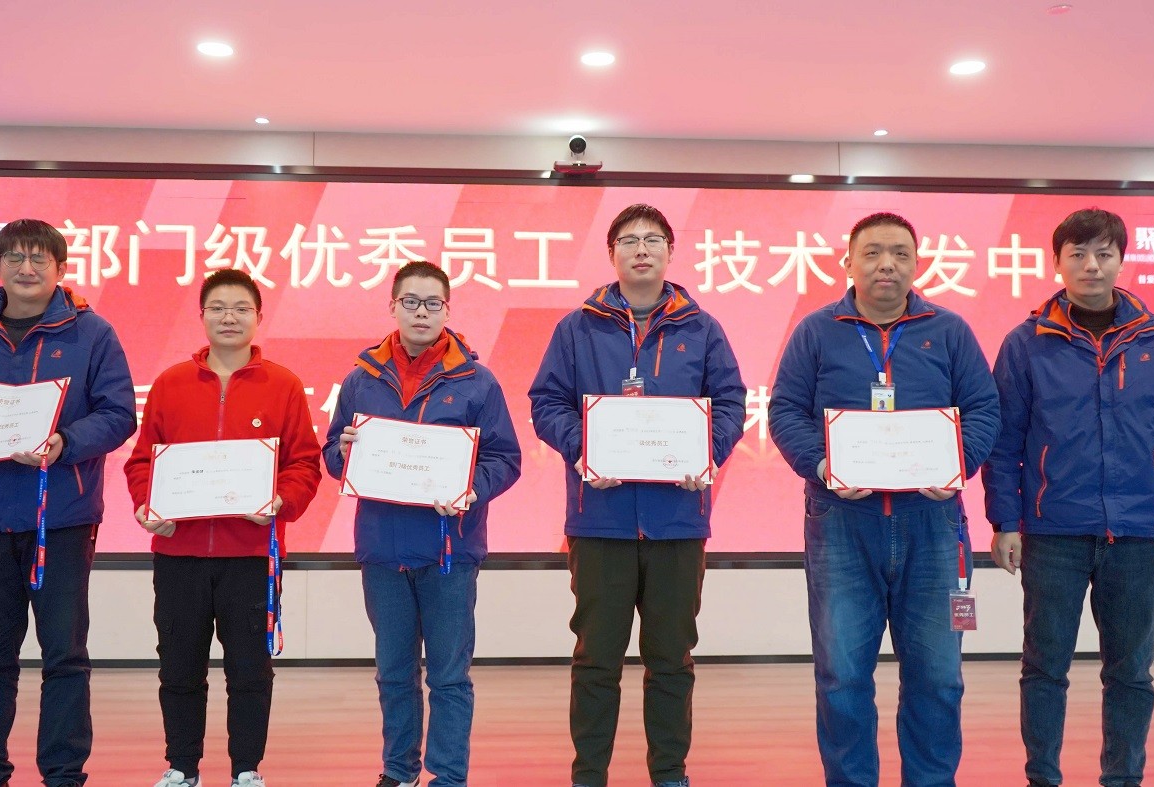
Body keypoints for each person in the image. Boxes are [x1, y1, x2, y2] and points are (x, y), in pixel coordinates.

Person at [768, 212, 1000, 787]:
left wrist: (958, 464)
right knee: (842, 678)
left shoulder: (950, 331)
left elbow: (984, 408)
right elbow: (785, 411)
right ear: (848, 263)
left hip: (934, 522)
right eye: (871, 253)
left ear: (918, 263)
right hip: (842, 522)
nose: (886, 265)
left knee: (938, 678)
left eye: (899, 253)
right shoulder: (816, 332)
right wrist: (822, 466)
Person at [982, 208, 1154, 787]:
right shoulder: (1026, 344)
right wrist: (1005, 521)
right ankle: (1042, 777)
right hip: (1052, 532)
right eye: (1077, 254)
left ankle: (1122, 778)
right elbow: (1004, 443)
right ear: (1057, 262)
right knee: (1044, 668)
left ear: (1121, 260)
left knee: (1131, 673)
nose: (1091, 266)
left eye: (1104, 254)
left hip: (1135, 533)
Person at [529, 204, 747, 787]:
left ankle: (670, 773)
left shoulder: (702, 328)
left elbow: (731, 403)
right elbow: (546, 402)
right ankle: (589, 775)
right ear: (612, 254)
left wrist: (706, 453)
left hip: (677, 521)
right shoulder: (577, 328)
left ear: (671, 252)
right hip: (599, 520)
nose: (641, 249)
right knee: (595, 660)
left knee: (671, 659)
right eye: (629, 240)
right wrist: (584, 450)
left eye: (653, 239)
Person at [0, 218, 137, 787]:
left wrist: (65, 442)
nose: (26, 268)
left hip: (62, 520)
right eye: (14, 257)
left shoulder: (93, 334)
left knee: (65, 657)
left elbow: (119, 415)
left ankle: (63, 774)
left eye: (39, 258)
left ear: (60, 268)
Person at [322, 260, 521, 787]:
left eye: (433, 303)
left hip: (449, 550)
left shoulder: (478, 382)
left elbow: (506, 458)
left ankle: (448, 776)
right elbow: (334, 453)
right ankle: (399, 770)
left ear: (447, 310)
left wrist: (471, 489)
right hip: (382, 550)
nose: (421, 312)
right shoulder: (361, 379)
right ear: (392, 306)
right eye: (410, 301)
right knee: (393, 673)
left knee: (449, 677)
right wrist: (343, 453)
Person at [124, 269, 323, 787]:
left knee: (250, 671)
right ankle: (181, 767)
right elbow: (142, 461)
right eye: (217, 307)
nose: (228, 317)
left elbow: (305, 463)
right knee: (179, 667)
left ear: (258, 317)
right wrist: (148, 505)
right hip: (179, 554)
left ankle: (246, 770)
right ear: (202, 316)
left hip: (252, 554)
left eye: (240, 308)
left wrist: (280, 502)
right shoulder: (170, 383)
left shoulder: (283, 385)